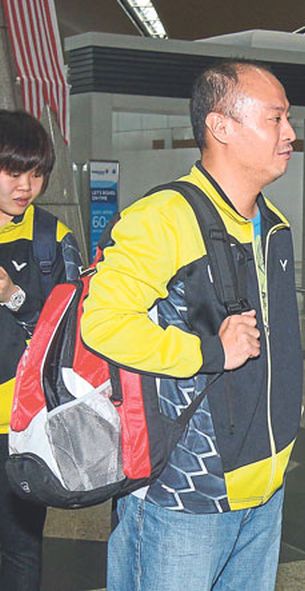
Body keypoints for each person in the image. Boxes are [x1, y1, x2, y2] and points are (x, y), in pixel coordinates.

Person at [81, 61, 302, 591]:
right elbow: (103, 324)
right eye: (275, 119)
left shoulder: (274, 225)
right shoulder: (162, 218)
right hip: (183, 494)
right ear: (221, 127)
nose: (291, 134)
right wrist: (208, 353)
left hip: (264, 487)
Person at [0, 110, 82, 590]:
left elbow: (70, 337)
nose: (26, 186)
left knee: (21, 549)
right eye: (13, 172)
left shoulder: (51, 240)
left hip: (22, 429)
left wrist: (14, 296)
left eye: (37, 173)